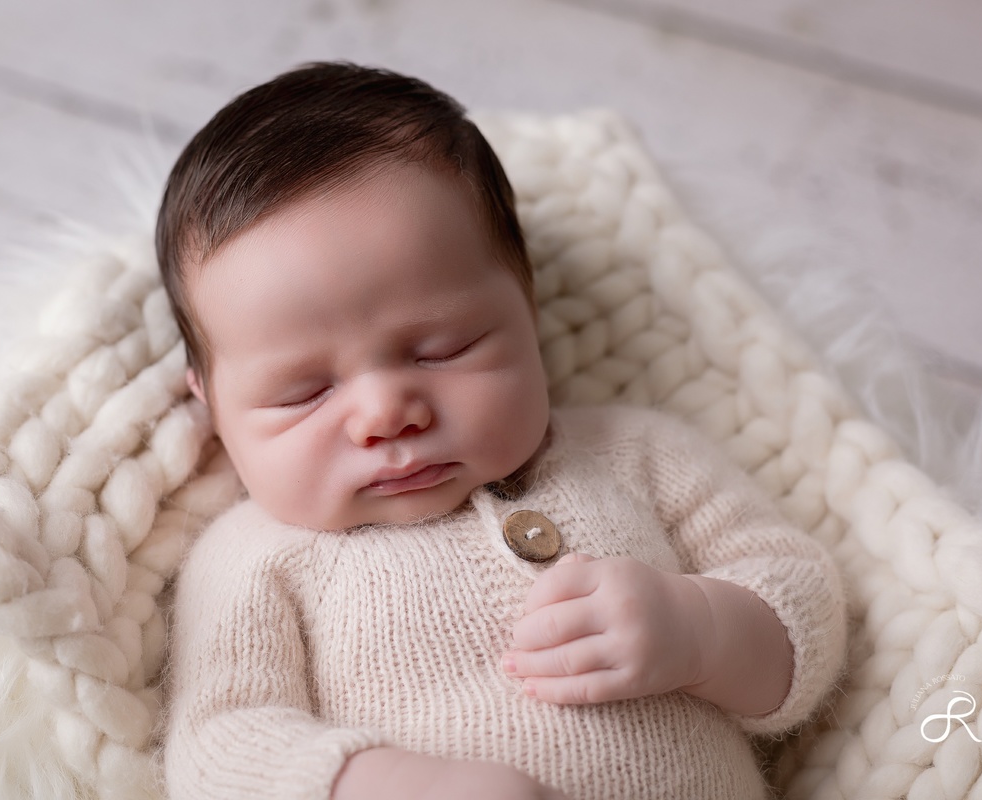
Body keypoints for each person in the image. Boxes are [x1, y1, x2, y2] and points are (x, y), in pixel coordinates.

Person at [156, 61, 847, 800]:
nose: (386, 414)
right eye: (305, 392)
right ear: (213, 406)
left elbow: (800, 592)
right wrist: (387, 784)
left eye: (442, 348)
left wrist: (701, 631)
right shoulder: (253, 557)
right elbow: (220, 745)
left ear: (527, 308)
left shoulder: (634, 453)